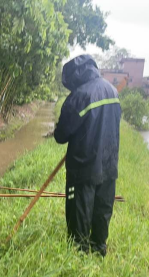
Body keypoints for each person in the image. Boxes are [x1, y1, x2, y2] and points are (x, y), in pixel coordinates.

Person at [54, 55, 122, 257]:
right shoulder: (112, 90)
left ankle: (79, 255)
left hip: (83, 168)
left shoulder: (79, 96)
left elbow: (61, 135)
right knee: (102, 209)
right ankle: (99, 249)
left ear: (74, 76)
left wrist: (59, 131)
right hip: (109, 164)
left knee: (79, 211)